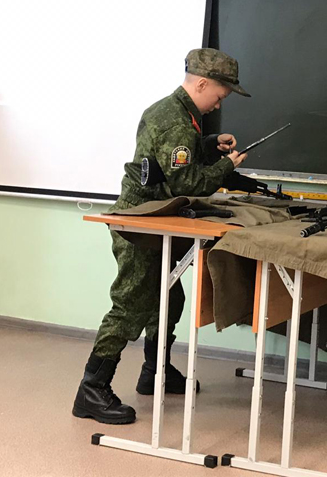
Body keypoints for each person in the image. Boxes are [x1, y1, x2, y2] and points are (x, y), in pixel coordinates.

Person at [72, 48, 250, 424]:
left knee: (169, 297)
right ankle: (91, 389)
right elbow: (187, 182)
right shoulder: (176, 122)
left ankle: (156, 372)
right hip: (140, 224)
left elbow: (166, 160)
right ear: (202, 84)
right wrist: (225, 166)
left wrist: (208, 144)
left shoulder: (175, 112)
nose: (219, 104)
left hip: (154, 218)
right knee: (131, 304)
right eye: (219, 95)